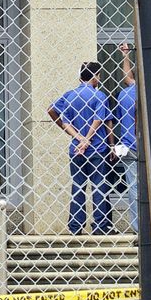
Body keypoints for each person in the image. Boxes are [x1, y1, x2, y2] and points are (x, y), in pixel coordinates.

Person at [48, 63, 113, 234]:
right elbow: (99, 119)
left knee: (78, 185)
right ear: (95, 76)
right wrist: (88, 139)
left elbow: (53, 112)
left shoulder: (70, 95)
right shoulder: (99, 95)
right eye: (99, 75)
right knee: (98, 185)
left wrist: (78, 138)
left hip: (76, 148)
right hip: (97, 147)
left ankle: (75, 225)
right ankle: (100, 225)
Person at [112, 45, 141, 234]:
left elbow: (127, 78)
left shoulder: (125, 94)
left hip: (128, 145)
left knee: (133, 188)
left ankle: (138, 227)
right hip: (150, 147)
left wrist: (126, 56)